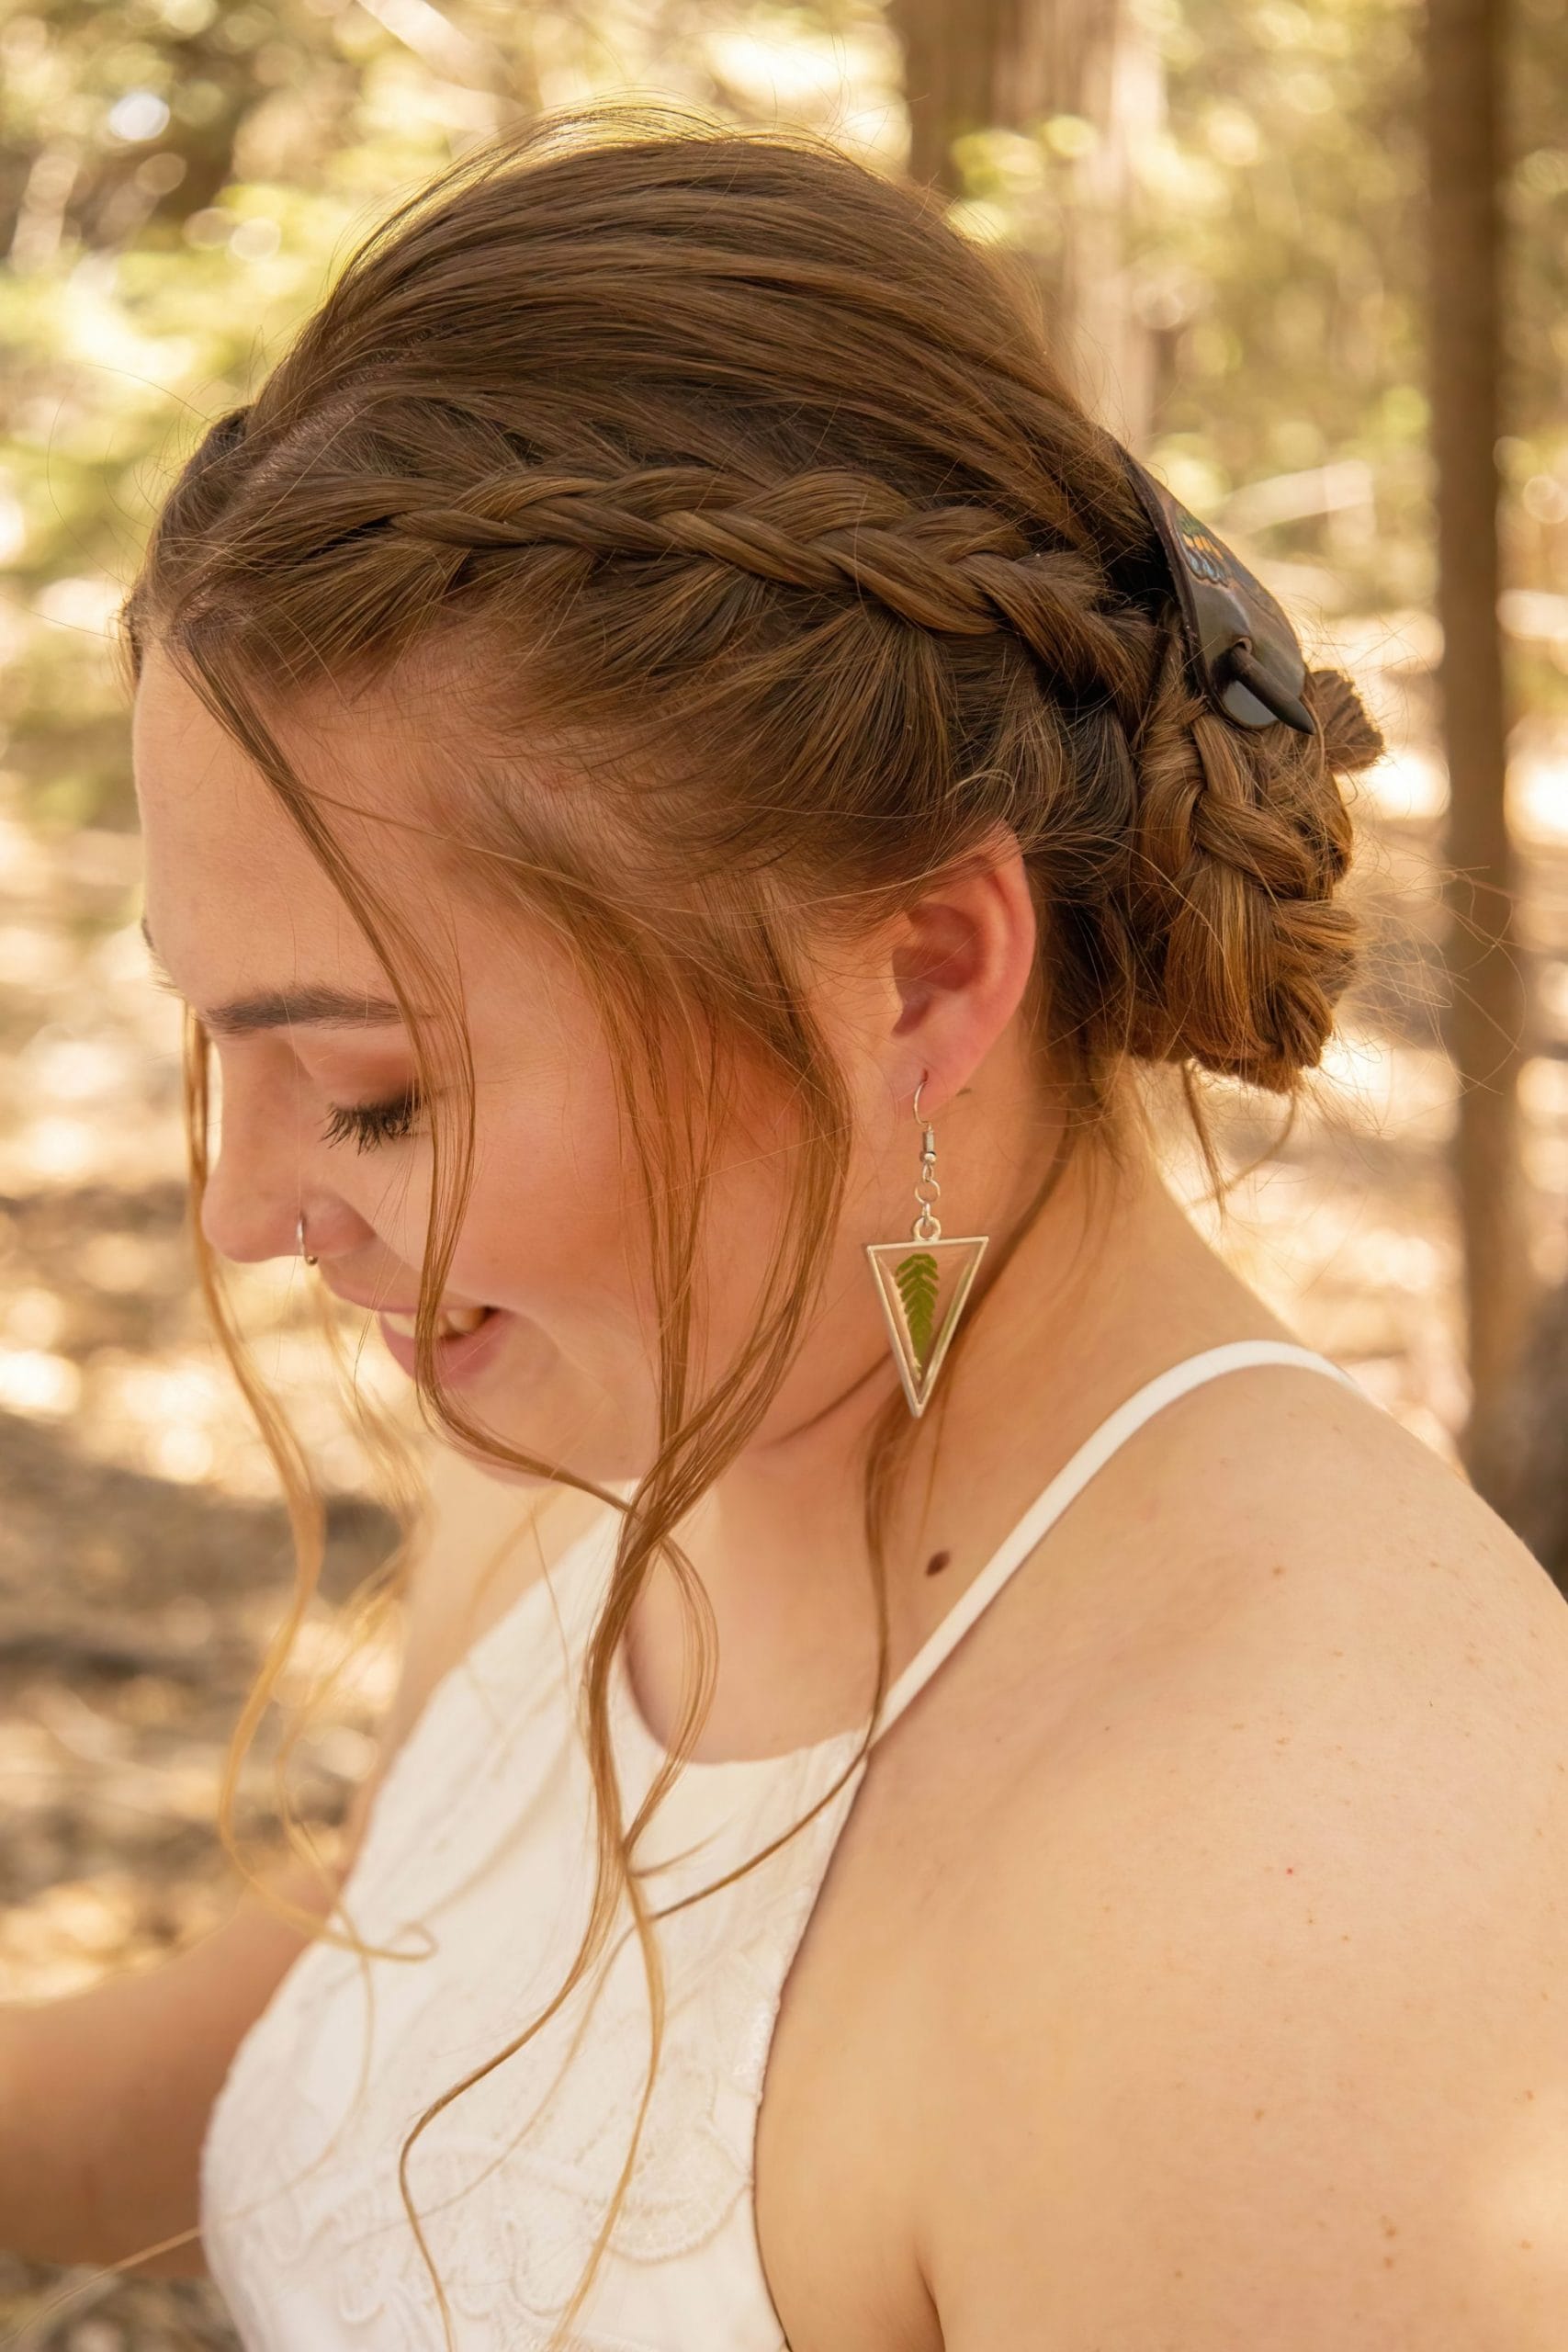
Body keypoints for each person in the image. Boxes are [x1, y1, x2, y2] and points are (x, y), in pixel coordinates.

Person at [5, 103, 1567, 2352]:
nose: (247, 1211)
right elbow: (387, 2052)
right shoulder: (595, 1428)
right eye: (214, 1043)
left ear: (920, 979)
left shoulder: (1295, 1903)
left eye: (373, 1088)